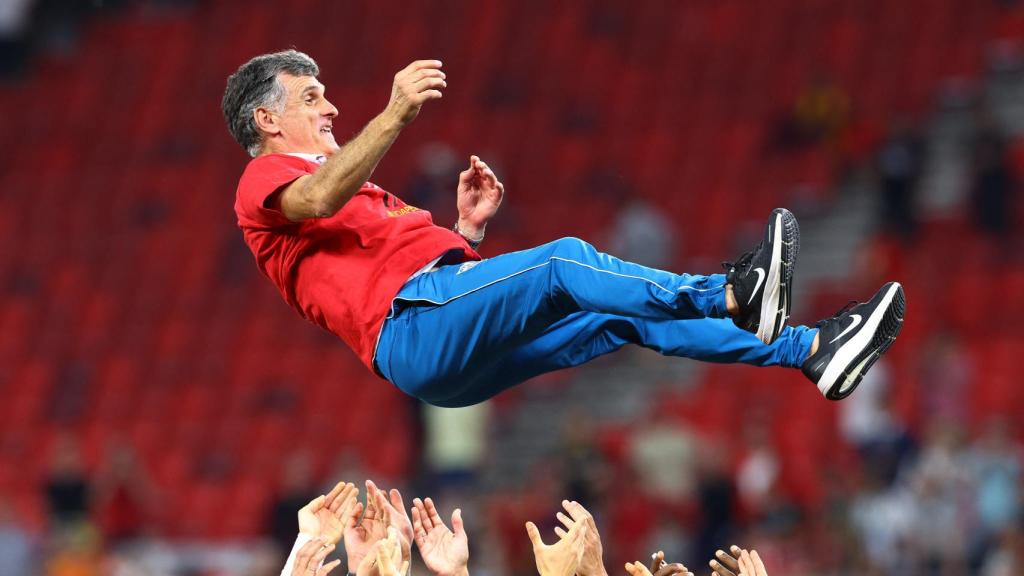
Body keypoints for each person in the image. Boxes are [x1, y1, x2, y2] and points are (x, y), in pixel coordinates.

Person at [221, 50, 905, 407]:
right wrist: (396, 113)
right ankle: (729, 294)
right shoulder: (264, 180)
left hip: (438, 345)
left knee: (617, 315)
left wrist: (466, 232)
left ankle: (811, 349)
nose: (332, 106)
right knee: (563, 264)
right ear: (267, 120)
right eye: (312, 97)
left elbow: (402, 266)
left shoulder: (346, 185)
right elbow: (316, 198)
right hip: (413, 329)